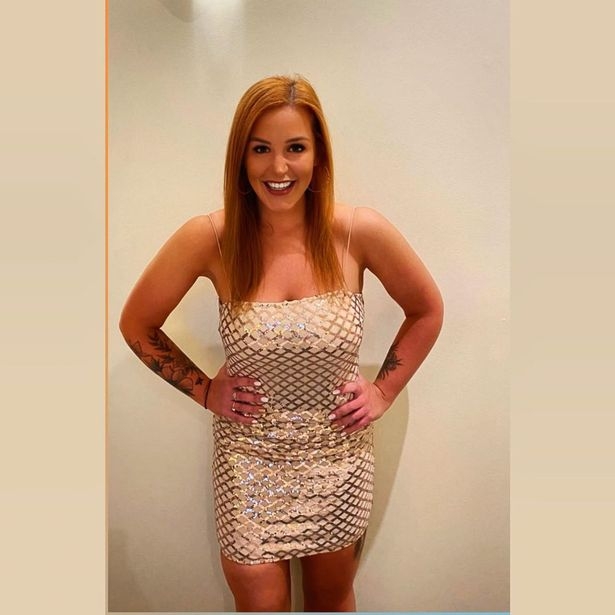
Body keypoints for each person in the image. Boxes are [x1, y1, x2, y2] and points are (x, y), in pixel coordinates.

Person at [119, 74, 443, 612]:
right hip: (248, 462)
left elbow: (427, 310)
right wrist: (205, 391)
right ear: (240, 157)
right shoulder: (211, 238)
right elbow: (137, 324)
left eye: (295, 148)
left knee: (330, 601)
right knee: (262, 605)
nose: (278, 168)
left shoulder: (357, 231)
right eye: (261, 149)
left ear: (318, 155)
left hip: (337, 456)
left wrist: (383, 391)